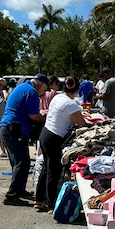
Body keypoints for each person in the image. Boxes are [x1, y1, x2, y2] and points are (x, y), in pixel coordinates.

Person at [34, 76, 87, 213]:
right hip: (54, 139)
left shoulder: (57, 97)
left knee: (46, 169)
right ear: (76, 89)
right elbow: (82, 124)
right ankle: (52, 206)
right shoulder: (71, 104)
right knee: (54, 172)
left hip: (45, 134)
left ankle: (38, 200)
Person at [0, 73, 49, 206]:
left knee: (21, 162)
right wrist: (45, 118)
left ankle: (19, 190)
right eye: (44, 90)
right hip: (14, 129)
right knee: (21, 162)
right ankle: (12, 195)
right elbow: (33, 116)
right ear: (40, 85)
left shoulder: (21, 88)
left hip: (8, 127)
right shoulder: (31, 92)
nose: (43, 93)